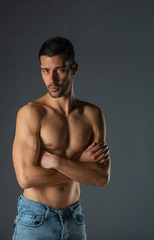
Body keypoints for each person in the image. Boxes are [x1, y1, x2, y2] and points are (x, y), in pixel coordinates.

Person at [12, 37, 111, 240]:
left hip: (74, 219)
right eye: (45, 71)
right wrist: (80, 166)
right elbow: (26, 178)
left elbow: (101, 178)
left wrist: (55, 161)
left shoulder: (92, 114)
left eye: (60, 70)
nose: (52, 80)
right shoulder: (31, 113)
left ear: (74, 68)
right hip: (36, 218)